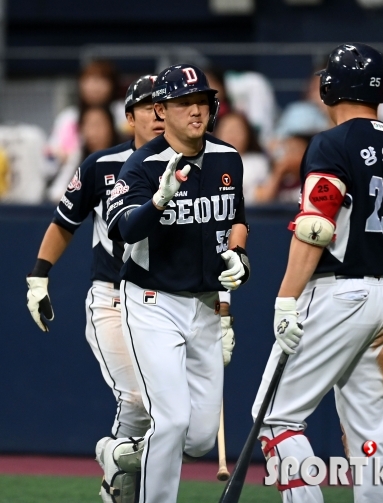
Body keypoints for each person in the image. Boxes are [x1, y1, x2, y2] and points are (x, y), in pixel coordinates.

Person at [252, 43, 383, 503]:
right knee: (369, 435)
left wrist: (285, 299)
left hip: (339, 293)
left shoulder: (331, 142)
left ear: (334, 85)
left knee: (276, 420)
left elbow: (314, 227)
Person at [106, 64, 249, 503]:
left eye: (201, 101)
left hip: (204, 305)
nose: (196, 110)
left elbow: (237, 220)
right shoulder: (141, 165)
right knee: (170, 420)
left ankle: (130, 455)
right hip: (152, 302)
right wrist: (157, 201)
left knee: (201, 437)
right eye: (184, 102)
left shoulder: (228, 157)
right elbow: (123, 229)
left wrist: (240, 256)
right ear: (162, 111)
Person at [26, 75, 163, 503]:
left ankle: (118, 477)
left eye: (166, 106)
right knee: (140, 398)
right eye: (148, 108)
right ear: (129, 117)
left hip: (168, 301)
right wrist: (38, 276)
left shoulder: (197, 165)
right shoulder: (102, 164)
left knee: (172, 415)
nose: (159, 116)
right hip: (113, 297)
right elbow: (64, 222)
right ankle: (118, 464)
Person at [47, 105, 121, 203]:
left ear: (111, 127)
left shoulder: (125, 159)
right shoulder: (77, 158)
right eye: (87, 125)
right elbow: (56, 193)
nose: (92, 133)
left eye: (97, 125)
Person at [214, 111, 270, 205]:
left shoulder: (259, 162)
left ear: (248, 134)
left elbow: (263, 196)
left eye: (237, 130)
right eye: (228, 130)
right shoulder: (205, 161)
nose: (232, 135)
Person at [255, 134, 310, 204]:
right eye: (287, 150)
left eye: (295, 150)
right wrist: (278, 173)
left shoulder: (311, 179)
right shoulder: (277, 178)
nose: (289, 155)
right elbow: (263, 201)